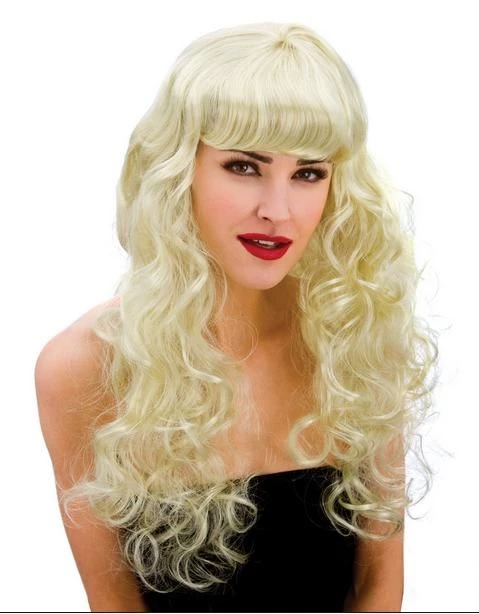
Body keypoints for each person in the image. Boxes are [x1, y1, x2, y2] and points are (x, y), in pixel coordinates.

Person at [34, 21, 439, 613]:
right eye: (245, 166)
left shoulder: (354, 341)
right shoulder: (85, 368)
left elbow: (379, 588)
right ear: (181, 168)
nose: (278, 210)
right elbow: (113, 602)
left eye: (308, 173)